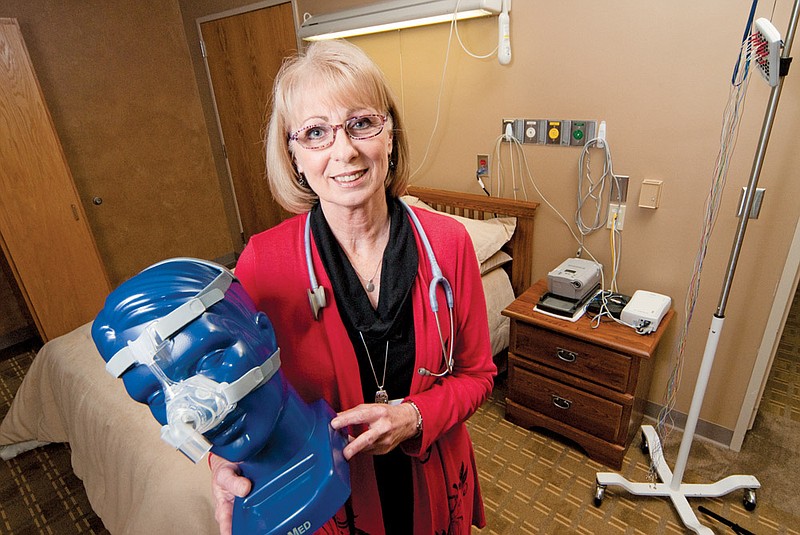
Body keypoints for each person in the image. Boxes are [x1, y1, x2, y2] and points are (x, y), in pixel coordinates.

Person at [210, 39, 496, 535]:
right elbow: (233, 396)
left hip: (432, 480)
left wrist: (416, 416)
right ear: (294, 155)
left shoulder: (449, 244)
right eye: (316, 132)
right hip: (330, 500)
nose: (345, 151)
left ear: (390, 135)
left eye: (362, 123)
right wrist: (220, 462)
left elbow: (477, 375)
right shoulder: (263, 262)